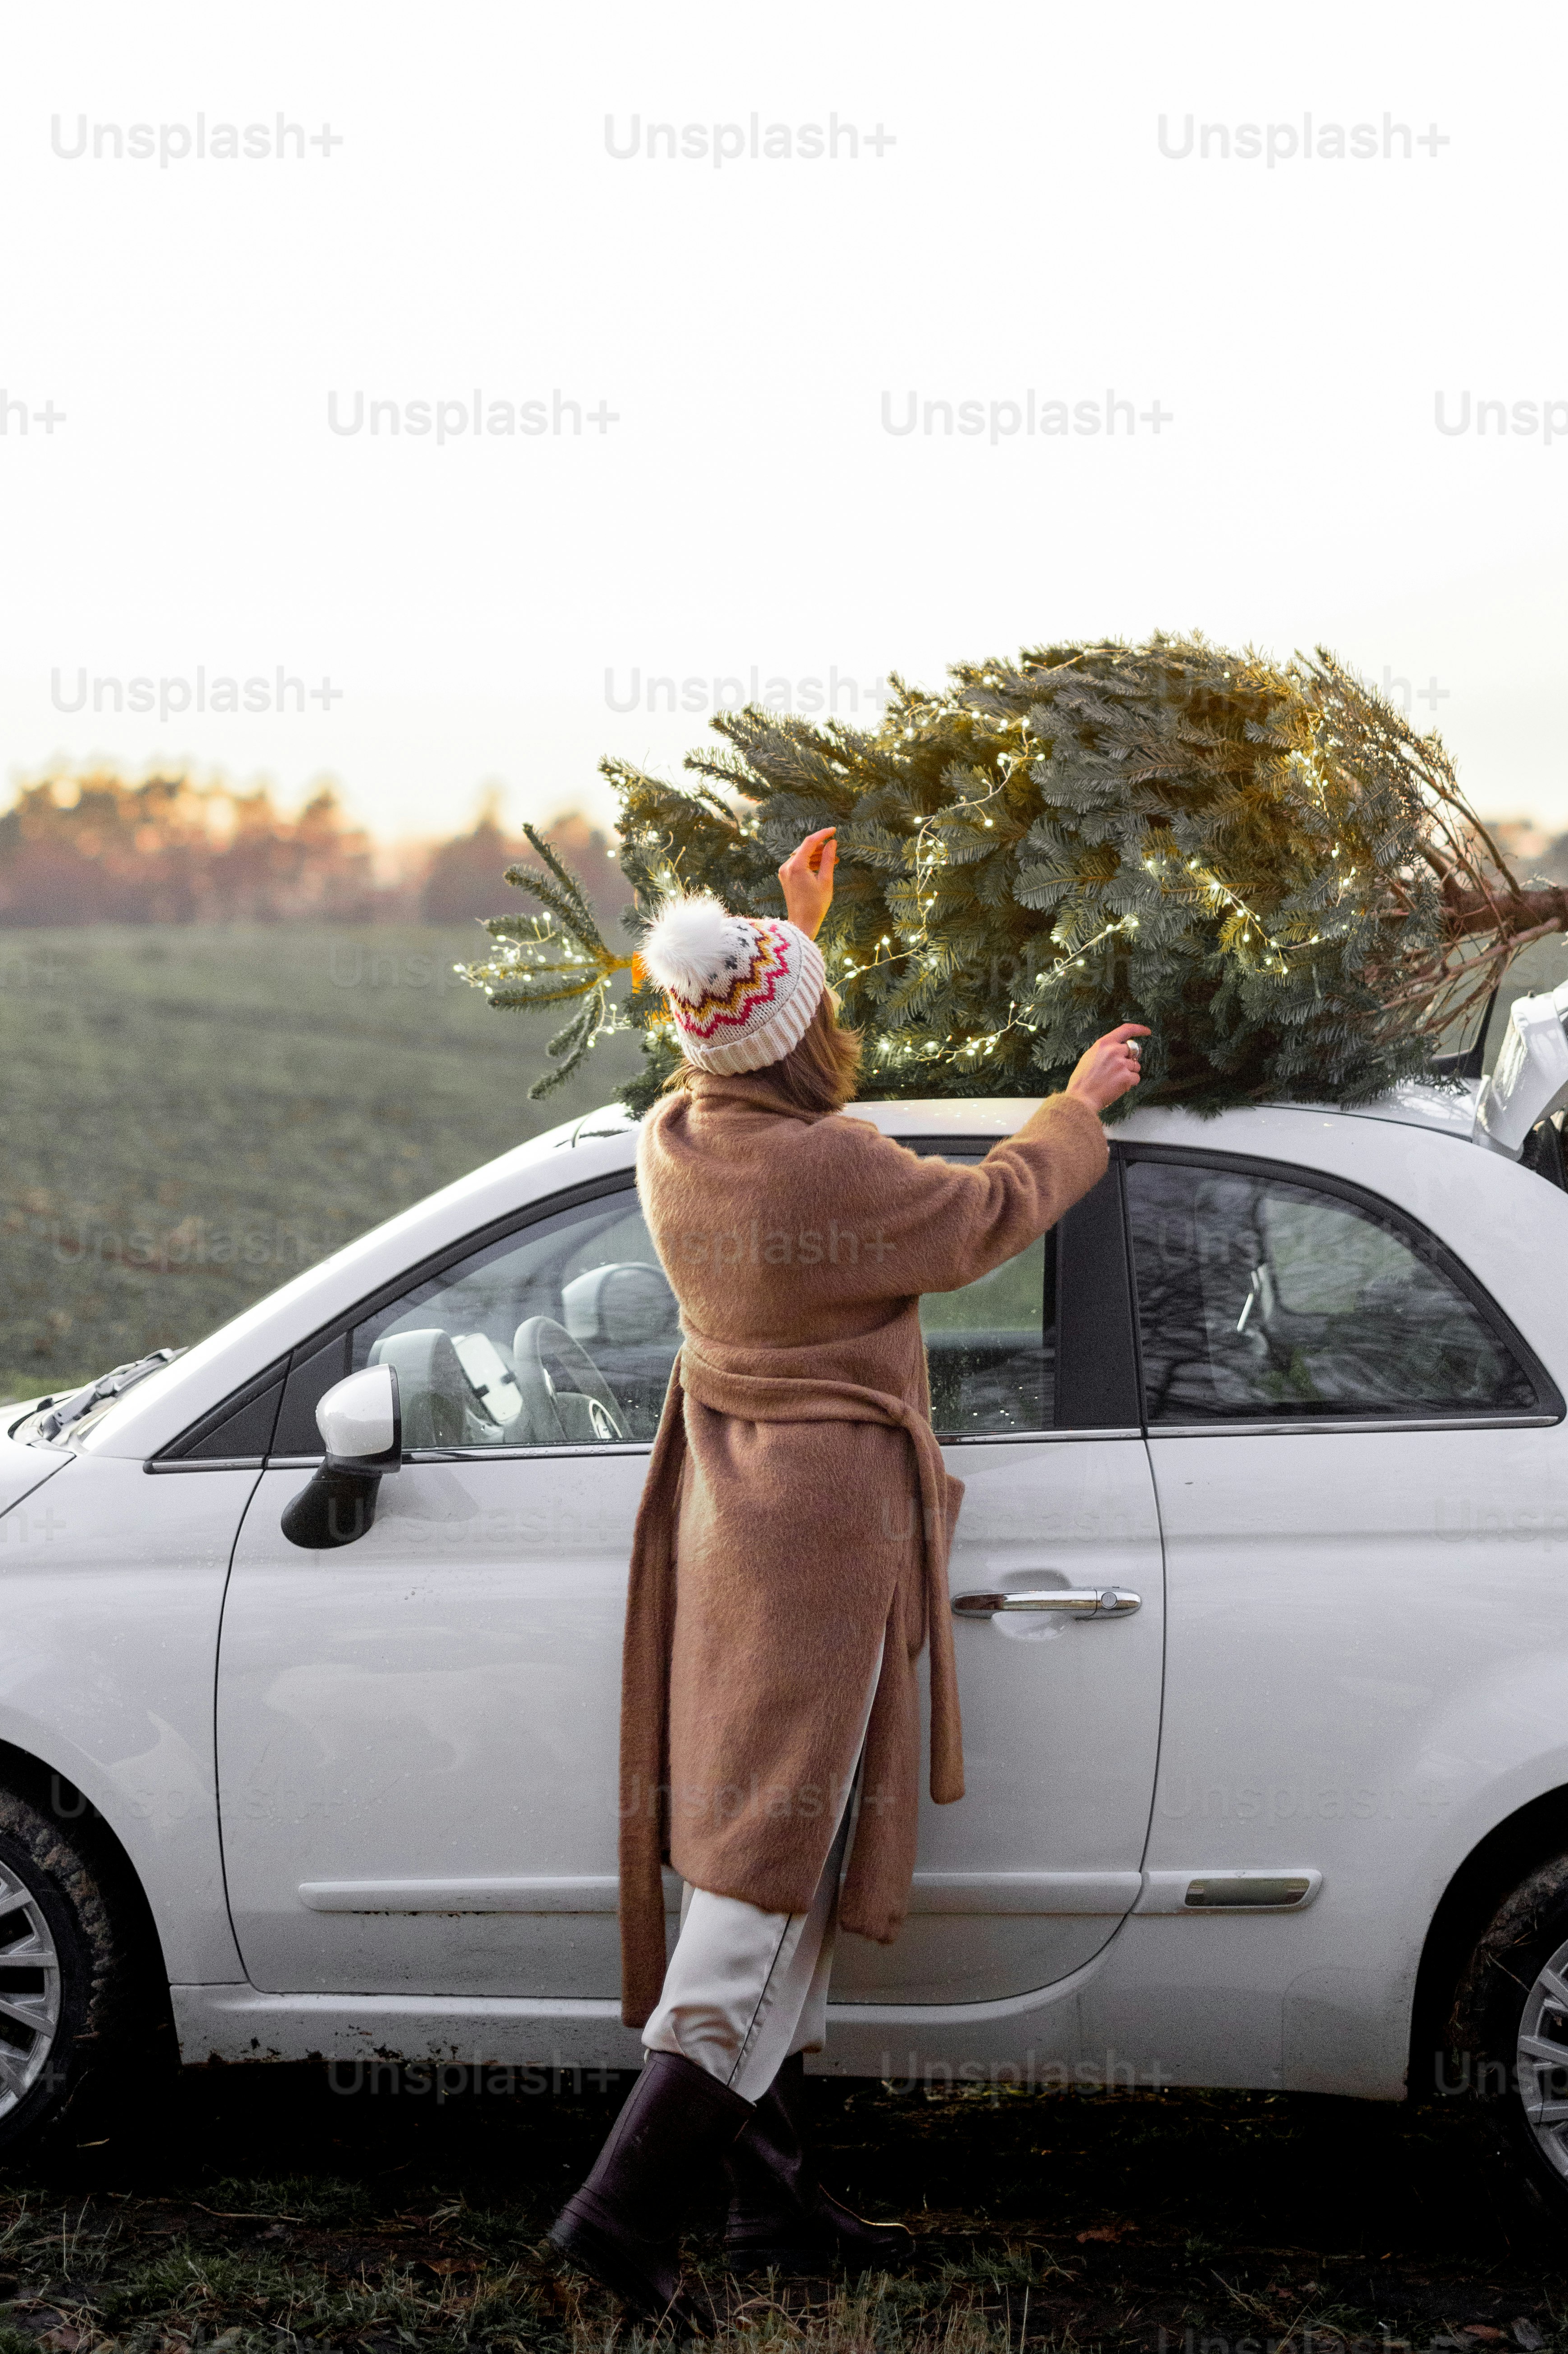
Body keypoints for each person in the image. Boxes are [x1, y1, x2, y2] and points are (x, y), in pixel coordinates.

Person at [548, 827, 1145, 2321]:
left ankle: (771, 2206)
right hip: (823, 1539)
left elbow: (750, 1048)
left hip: (737, 1517)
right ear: (803, 1036)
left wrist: (794, 926)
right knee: (768, 1874)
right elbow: (984, 1213)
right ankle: (620, 2215)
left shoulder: (680, 1134)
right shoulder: (828, 1167)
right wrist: (1074, 1110)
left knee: (765, 1842)